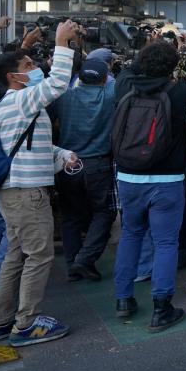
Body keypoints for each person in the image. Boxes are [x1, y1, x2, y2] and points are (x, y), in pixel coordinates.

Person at [0, 20, 81, 347]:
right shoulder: (20, 100)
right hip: (28, 197)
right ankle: (26, 323)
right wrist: (61, 42)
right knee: (40, 256)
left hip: (14, 194)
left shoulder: (14, 104)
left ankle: (1, 321)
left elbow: (31, 147)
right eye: (28, 65)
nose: (35, 68)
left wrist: (62, 156)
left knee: (17, 255)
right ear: (13, 77)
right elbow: (58, 82)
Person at [111, 41, 186, 332]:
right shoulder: (182, 92)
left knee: (130, 236)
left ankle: (124, 300)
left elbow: (129, 70)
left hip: (128, 177)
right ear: (173, 65)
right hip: (167, 181)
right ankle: (161, 308)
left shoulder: (124, 87)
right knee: (165, 242)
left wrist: (144, 57)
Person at [53, 58, 118, 282]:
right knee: (104, 212)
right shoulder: (110, 96)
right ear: (104, 78)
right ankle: (85, 259)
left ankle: (73, 263)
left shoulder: (63, 97)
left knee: (70, 216)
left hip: (66, 163)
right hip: (98, 164)